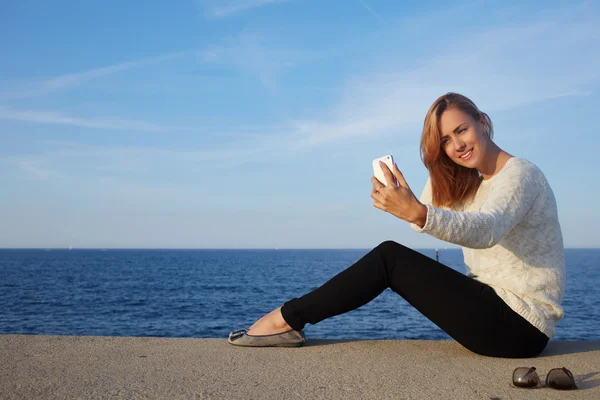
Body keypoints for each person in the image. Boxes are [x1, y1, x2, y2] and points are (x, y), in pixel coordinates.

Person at [228, 92, 565, 358]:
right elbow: (434, 205)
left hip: (519, 326)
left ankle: (285, 319)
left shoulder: (520, 174)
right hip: (496, 313)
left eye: (461, 130)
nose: (457, 145)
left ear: (483, 122)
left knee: (390, 258)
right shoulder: (476, 183)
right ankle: (287, 319)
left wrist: (416, 213)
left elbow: (484, 229)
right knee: (390, 257)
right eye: (445, 140)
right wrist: (435, 165)